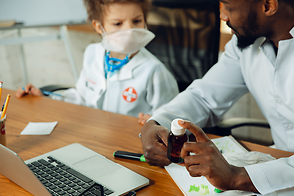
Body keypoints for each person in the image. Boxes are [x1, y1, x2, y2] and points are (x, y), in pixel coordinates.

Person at [140, 0, 294, 196]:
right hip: (272, 177)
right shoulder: (247, 41)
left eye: (228, 6)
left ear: (268, 5)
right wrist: (158, 121)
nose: (222, 15)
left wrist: (237, 177)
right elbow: (204, 97)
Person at [15, 0, 179, 121]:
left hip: (130, 142)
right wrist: (46, 97)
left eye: (136, 21)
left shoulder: (154, 71)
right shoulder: (92, 53)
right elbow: (82, 97)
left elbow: (173, 116)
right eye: (118, 23)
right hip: (94, 132)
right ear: (99, 27)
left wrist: (155, 121)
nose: (130, 30)